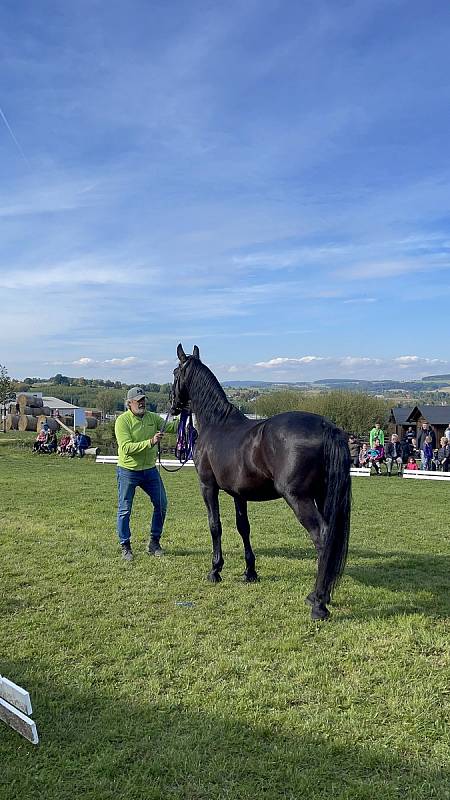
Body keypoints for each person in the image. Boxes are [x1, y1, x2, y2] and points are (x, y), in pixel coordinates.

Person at [114, 387, 179, 561]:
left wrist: (183, 414)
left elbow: (171, 426)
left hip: (149, 470)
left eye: (143, 399)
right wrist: (150, 442)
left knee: (161, 503)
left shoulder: (152, 417)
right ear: (129, 403)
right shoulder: (122, 421)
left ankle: (154, 542)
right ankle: (125, 545)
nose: (142, 403)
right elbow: (126, 448)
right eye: (138, 400)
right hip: (128, 470)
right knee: (125, 509)